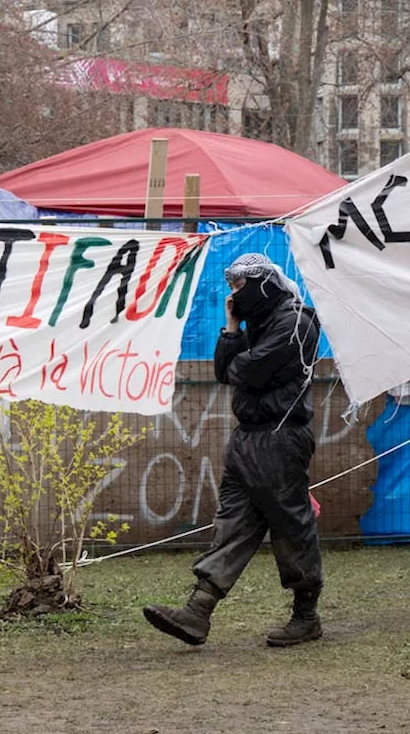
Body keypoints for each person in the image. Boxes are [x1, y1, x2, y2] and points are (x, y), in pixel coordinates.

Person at [143, 253, 324, 648]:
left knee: (291, 526)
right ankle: (197, 613)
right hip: (248, 438)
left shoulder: (297, 322)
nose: (233, 293)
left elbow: (248, 371)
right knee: (233, 521)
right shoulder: (255, 325)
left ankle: (306, 616)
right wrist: (231, 327)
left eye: (239, 285)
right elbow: (226, 372)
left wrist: (240, 358)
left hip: (280, 436)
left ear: (263, 283)